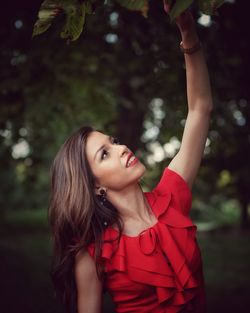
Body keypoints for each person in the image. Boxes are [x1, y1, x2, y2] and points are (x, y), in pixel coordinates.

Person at [49, 2, 213, 313]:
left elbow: (200, 109)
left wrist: (188, 33)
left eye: (114, 141)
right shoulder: (95, 252)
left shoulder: (172, 198)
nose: (122, 148)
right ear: (95, 186)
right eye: (105, 154)